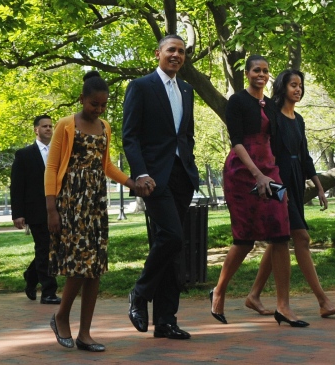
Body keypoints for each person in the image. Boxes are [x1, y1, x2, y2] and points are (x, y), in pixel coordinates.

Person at [210, 55, 309, 327]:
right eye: (256, 70)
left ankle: (283, 307)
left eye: (265, 70)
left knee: (280, 235)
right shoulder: (238, 102)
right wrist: (258, 175)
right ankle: (219, 291)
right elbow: (237, 142)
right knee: (244, 239)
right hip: (243, 172)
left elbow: (281, 136)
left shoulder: (272, 106)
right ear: (247, 73)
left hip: (270, 171)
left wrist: (282, 175)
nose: (261, 74)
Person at [245, 69, 335, 318]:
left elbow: (305, 156)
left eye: (300, 85)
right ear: (282, 87)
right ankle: (323, 301)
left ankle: (254, 295)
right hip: (278, 181)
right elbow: (264, 152)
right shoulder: (272, 117)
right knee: (300, 238)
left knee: (280, 238)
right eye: (293, 85)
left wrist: (319, 186)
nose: (298, 89)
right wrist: (275, 184)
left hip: (296, 179)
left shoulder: (298, 119)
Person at [45, 71, 135, 352]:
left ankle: (85, 333)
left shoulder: (105, 127)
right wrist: (51, 209)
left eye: (103, 106)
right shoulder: (65, 125)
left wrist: (131, 182)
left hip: (96, 202)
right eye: (93, 104)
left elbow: (106, 166)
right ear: (82, 99)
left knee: (94, 268)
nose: (98, 109)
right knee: (79, 265)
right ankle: (61, 315)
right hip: (71, 201)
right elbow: (51, 167)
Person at [122, 34, 200, 340]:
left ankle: (166, 321)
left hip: (183, 176)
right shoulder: (141, 87)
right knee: (171, 235)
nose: (177, 55)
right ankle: (140, 293)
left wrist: (190, 164)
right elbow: (130, 136)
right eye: (171, 50)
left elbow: (186, 134)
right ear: (158, 53)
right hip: (153, 179)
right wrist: (140, 173)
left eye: (181, 51)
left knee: (174, 248)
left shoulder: (187, 89)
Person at [10, 114, 60, 305]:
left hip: (58, 209)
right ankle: (48, 292)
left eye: (50, 126)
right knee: (45, 248)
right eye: (44, 126)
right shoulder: (24, 155)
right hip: (36, 211)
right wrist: (18, 214)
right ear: (36, 130)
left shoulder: (60, 151)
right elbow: (17, 186)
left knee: (52, 249)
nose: (48, 129)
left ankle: (31, 276)